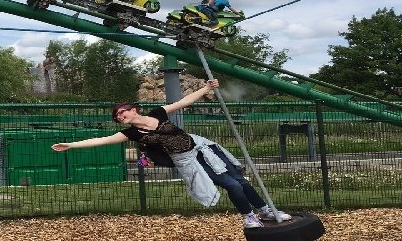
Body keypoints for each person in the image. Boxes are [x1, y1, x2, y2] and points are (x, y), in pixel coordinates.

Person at [51, 79, 292, 229]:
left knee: (241, 180)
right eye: (116, 117)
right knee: (233, 185)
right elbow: (100, 140)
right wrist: (71, 145)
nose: (119, 117)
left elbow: (184, 101)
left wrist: (206, 88)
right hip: (187, 160)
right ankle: (249, 216)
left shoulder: (158, 113)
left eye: (121, 112)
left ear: (134, 109)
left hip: (201, 148)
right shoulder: (131, 134)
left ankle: (265, 210)